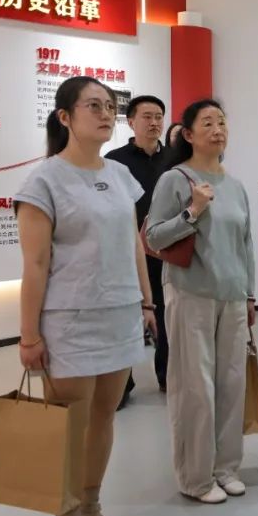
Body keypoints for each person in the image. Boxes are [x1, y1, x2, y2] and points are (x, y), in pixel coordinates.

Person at [15, 76, 158, 516]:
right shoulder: (44, 180)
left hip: (120, 314)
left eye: (109, 107)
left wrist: (146, 301)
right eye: (93, 106)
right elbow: (35, 264)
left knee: (104, 418)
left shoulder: (119, 175)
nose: (105, 114)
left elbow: (133, 244)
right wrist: (29, 335)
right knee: (69, 426)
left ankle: (92, 510)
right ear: (65, 117)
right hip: (70, 319)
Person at [146, 99, 256, 504]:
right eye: (207, 123)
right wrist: (192, 210)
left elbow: (246, 244)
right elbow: (153, 237)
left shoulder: (236, 186)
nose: (217, 129)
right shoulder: (175, 179)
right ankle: (195, 477)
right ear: (189, 134)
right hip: (190, 293)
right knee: (195, 387)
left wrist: (249, 293)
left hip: (232, 296)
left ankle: (226, 468)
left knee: (232, 385)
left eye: (221, 122)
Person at [106, 95, 168, 405]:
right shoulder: (114, 161)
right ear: (131, 122)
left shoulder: (174, 159)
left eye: (158, 116)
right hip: (128, 251)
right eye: (147, 116)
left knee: (167, 315)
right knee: (128, 317)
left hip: (167, 250)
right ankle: (122, 384)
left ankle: (168, 374)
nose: (154, 122)